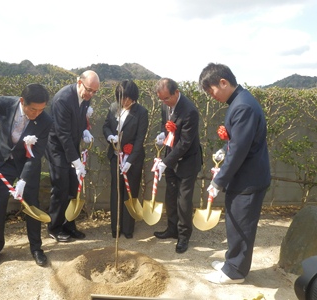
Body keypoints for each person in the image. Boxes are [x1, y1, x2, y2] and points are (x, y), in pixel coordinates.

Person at [199, 63, 271, 284]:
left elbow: (239, 150)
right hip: (244, 176)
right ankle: (232, 262)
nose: (211, 96)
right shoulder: (240, 102)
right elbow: (238, 142)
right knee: (234, 221)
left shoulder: (243, 106)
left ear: (223, 82)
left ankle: (235, 273)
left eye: (211, 91)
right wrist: (223, 150)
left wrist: (218, 181)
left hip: (248, 178)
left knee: (241, 225)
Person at [0, 83, 52, 268]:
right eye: (33, 109)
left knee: (31, 205)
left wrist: (23, 180)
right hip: (4, 162)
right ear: (22, 101)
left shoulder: (45, 121)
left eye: (41, 110)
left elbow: (37, 153)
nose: (37, 114)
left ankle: (36, 248)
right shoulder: (4, 104)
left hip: (27, 165)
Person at [45, 70, 99, 242]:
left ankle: (69, 225)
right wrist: (77, 162)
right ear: (79, 82)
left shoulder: (84, 98)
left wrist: (85, 130)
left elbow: (80, 119)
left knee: (73, 187)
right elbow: (63, 135)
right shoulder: (63, 99)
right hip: (57, 147)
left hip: (71, 145)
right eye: (89, 89)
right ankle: (54, 227)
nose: (90, 94)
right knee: (60, 187)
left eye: (94, 92)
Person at [153, 78, 202, 254]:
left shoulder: (190, 111)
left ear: (176, 92)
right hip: (171, 158)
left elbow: (185, 143)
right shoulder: (165, 106)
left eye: (166, 98)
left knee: (183, 201)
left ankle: (183, 236)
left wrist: (165, 163)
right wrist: (162, 134)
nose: (164, 102)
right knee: (170, 196)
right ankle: (172, 229)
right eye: (161, 99)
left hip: (188, 161)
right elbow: (166, 127)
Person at [103, 80, 149, 239]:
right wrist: (110, 136)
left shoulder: (141, 112)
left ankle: (128, 229)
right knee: (116, 191)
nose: (124, 101)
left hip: (133, 159)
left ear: (134, 97)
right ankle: (116, 228)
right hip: (116, 156)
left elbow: (140, 139)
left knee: (131, 193)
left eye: (128, 98)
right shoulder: (113, 108)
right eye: (121, 98)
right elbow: (106, 126)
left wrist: (130, 161)